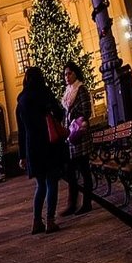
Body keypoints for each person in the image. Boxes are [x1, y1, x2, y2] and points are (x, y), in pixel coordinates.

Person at [17, 66, 66, 234]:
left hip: (33, 147)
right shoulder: (45, 93)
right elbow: (59, 113)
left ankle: (36, 221)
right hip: (49, 142)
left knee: (40, 185)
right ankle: (50, 221)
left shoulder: (21, 100)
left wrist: (22, 155)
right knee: (51, 182)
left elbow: (21, 131)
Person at [61, 61, 94, 215]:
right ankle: (72, 204)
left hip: (80, 135)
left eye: (69, 73)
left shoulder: (81, 89)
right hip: (71, 138)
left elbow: (86, 110)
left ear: (75, 74)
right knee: (71, 171)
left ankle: (86, 203)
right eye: (65, 74)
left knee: (84, 170)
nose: (66, 76)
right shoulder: (68, 91)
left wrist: (74, 117)